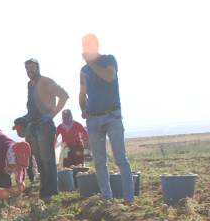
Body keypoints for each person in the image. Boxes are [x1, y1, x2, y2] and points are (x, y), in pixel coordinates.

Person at [79, 34, 133, 203]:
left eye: (89, 44)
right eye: (84, 45)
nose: (87, 47)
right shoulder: (84, 70)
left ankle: (129, 199)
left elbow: (109, 77)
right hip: (93, 119)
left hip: (112, 116)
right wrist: (83, 109)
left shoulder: (109, 60)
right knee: (99, 162)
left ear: (97, 45)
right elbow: (82, 93)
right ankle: (107, 198)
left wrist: (91, 63)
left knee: (120, 159)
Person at [23, 59, 68, 199]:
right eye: (27, 68)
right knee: (39, 161)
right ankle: (44, 191)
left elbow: (64, 95)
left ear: (38, 68)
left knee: (48, 160)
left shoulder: (46, 81)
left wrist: (52, 114)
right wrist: (23, 120)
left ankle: (52, 192)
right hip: (33, 126)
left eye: (32, 67)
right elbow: (32, 107)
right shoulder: (30, 85)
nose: (30, 70)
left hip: (45, 126)